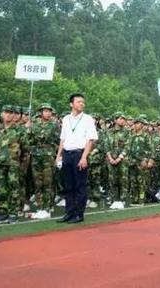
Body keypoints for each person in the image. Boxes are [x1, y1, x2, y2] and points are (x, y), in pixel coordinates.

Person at [55, 93, 98, 224]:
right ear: (71, 104)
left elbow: (90, 139)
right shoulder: (66, 119)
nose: (81, 104)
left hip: (80, 154)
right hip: (67, 154)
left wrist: (84, 157)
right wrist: (58, 156)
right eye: (79, 102)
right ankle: (69, 212)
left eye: (83, 102)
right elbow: (63, 138)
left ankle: (79, 214)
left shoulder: (88, 119)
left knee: (80, 185)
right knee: (68, 185)